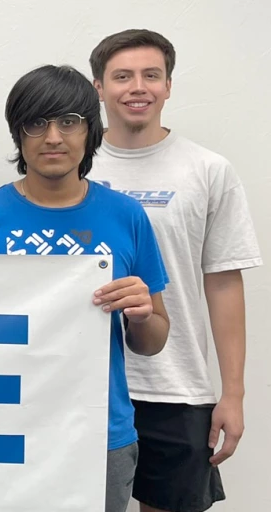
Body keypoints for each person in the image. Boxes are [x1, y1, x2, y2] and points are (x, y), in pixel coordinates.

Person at [0, 64, 170, 512]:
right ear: (18, 134)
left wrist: (142, 314)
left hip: (99, 432)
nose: (53, 137)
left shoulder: (126, 216)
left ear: (90, 130)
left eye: (69, 122)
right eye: (36, 122)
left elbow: (152, 342)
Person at [87, 29, 261, 512]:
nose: (137, 87)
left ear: (168, 85)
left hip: (177, 385)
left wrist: (233, 394)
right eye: (122, 76)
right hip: (86, 382)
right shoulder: (69, 166)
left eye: (151, 75)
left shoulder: (207, 170)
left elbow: (224, 283)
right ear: (99, 87)